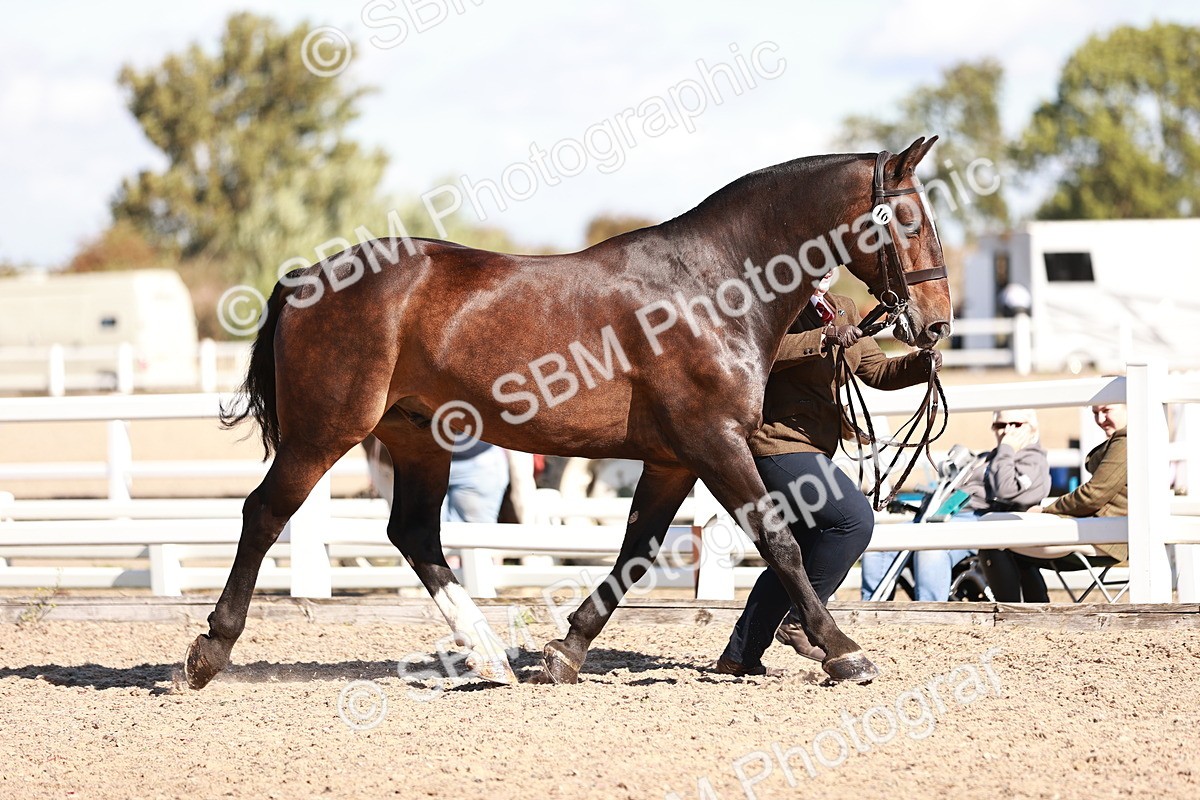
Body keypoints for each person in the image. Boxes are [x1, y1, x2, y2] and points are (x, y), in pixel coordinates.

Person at [716, 266, 941, 675]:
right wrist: (823, 338)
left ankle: (740, 655)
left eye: (831, 263)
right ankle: (803, 620)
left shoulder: (844, 308)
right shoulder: (775, 307)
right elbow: (760, 352)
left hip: (813, 449)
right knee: (853, 520)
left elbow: (876, 370)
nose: (823, 271)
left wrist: (921, 365)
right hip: (776, 446)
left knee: (795, 551)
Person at [860, 408, 1051, 601]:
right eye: (1000, 425)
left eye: (1016, 425)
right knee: (881, 542)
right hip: (941, 517)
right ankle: (870, 611)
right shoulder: (985, 458)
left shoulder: (1032, 461)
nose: (1007, 431)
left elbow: (1008, 490)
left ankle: (929, 617)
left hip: (984, 520)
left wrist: (1007, 449)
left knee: (932, 547)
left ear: (1033, 429)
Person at [979, 403, 1128, 602]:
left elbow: (1093, 494)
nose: (1100, 420)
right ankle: (1034, 612)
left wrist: (1046, 511)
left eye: (1106, 411)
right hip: (1103, 530)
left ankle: (1012, 616)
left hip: (1106, 537)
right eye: (1095, 413)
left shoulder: (1126, 441)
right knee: (1001, 537)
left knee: (992, 540)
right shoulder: (1129, 439)